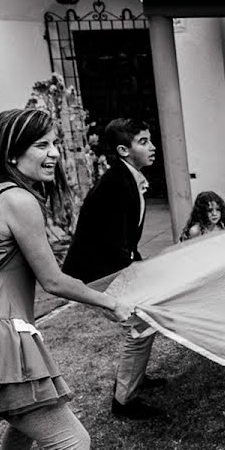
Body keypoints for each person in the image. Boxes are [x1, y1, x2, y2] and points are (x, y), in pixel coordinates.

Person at [0, 109, 135, 450]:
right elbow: (53, 280)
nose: (54, 154)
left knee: (24, 420)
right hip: (0, 335)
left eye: (54, 144)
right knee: (71, 443)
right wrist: (111, 303)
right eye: (41, 145)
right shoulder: (19, 200)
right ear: (11, 153)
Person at [62, 118, 166, 420]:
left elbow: (125, 240)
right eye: (143, 141)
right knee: (141, 324)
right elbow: (112, 246)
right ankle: (124, 401)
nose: (153, 146)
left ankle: (135, 376)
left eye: (150, 139)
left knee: (145, 320)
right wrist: (135, 275)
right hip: (95, 273)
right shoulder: (116, 184)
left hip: (112, 263)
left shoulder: (128, 178)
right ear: (123, 150)